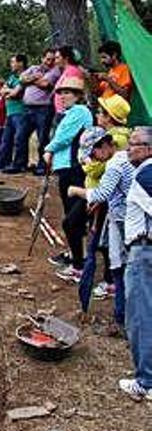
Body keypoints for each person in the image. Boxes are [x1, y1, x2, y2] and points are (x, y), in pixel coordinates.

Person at [69, 128, 132, 334]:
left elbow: (102, 193)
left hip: (126, 222)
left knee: (121, 267)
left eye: (93, 152)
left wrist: (76, 191)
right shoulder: (124, 157)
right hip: (121, 218)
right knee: (118, 265)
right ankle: (121, 315)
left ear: (103, 146)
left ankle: (123, 318)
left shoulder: (115, 164)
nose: (93, 158)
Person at [42, 76, 94, 282]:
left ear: (78, 95)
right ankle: (74, 255)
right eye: (60, 92)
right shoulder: (69, 113)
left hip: (74, 169)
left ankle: (78, 264)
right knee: (71, 213)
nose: (62, 96)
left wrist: (48, 149)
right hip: (65, 168)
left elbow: (64, 137)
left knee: (74, 218)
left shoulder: (80, 112)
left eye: (67, 92)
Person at [84, 95, 132, 299]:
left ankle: (114, 284)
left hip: (111, 202)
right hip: (108, 202)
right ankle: (115, 282)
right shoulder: (113, 137)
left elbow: (97, 172)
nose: (98, 115)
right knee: (107, 243)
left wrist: (87, 167)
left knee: (114, 246)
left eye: (102, 112)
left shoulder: (116, 142)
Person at [118, 126, 152, 399]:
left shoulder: (147, 174)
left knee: (141, 317)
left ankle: (146, 382)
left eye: (134, 144)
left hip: (144, 252)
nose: (128, 148)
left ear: (149, 149)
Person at [13, 49, 62, 175]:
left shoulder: (55, 71)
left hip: (44, 108)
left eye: (52, 59)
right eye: (47, 58)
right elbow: (21, 78)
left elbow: (45, 84)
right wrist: (34, 78)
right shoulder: (34, 68)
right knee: (20, 136)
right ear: (42, 58)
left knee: (43, 139)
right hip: (27, 108)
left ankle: (43, 166)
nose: (49, 62)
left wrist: (29, 80)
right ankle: (19, 164)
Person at [0, 55, 27, 172]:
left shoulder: (25, 76)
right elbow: (2, 91)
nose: (11, 64)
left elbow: (17, 94)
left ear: (20, 63)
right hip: (10, 113)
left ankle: (19, 165)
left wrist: (10, 93)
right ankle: (4, 163)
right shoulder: (11, 77)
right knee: (6, 140)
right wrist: (10, 92)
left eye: (13, 62)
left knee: (19, 139)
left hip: (20, 112)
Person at [53, 46, 86, 129]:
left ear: (66, 58)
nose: (55, 61)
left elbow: (74, 93)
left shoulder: (72, 71)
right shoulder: (67, 71)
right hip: (62, 112)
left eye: (58, 58)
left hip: (67, 113)